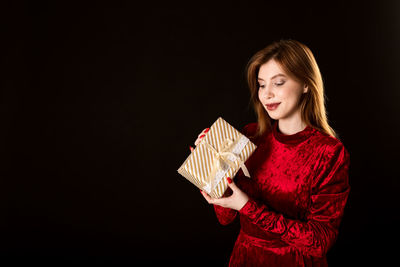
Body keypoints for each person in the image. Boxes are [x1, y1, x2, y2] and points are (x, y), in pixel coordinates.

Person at [190, 39, 350, 266]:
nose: (266, 94)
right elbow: (225, 217)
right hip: (244, 258)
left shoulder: (329, 152)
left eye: (278, 83)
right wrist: (209, 161)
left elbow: (319, 242)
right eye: (261, 84)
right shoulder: (250, 136)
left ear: (306, 83)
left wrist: (249, 207)